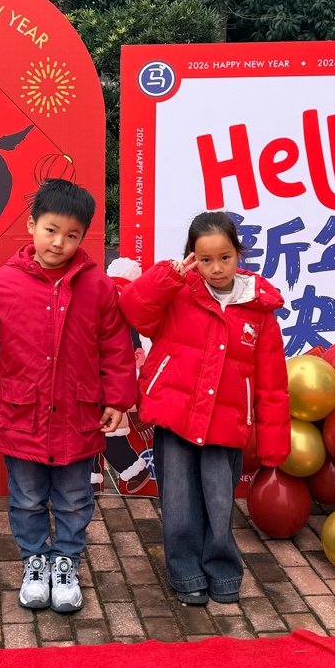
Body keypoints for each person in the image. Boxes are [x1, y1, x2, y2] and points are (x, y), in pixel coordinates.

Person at [0, 179, 137, 614]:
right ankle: (34, 562)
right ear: (32, 226)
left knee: (74, 498)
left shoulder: (97, 284)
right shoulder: (3, 281)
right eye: (51, 230)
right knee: (27, 498)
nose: (59, 243)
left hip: (78, 414)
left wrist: (117, 399)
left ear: (83, 236)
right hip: (23, 413)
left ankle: (66, 562)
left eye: (72, 235)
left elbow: (114, 345)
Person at [118, 211, 290, 605]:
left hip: (225, 425)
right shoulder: (178, 292)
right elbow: (133, 309)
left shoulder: (258, 309)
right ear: (192, 258)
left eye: (225, 257)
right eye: (206, 259)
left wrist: (274, 442)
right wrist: (168, 276)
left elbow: (272, 382)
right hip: (175, 416)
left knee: (219, 503)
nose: (216, 268)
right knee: (179, 505)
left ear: (238, 254)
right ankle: (186, 574)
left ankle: (224, 574)